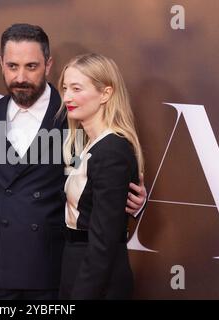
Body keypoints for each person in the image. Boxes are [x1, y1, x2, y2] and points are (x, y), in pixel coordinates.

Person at [0, 23, 146, 300]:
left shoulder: (73, 119)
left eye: (31, 66)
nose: (21, 76)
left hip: (52, 268)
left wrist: (136, 203)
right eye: (12, 66)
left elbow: (99, 186)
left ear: (48, 64)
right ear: (1, 64)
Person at [58, 53, 143, 299]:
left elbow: (103, 243)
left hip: (97, 282)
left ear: (105, 93)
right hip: (77, 268)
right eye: (65, 88)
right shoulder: (88, 144)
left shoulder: (112, 150)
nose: (67, 98)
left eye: (76, 88)